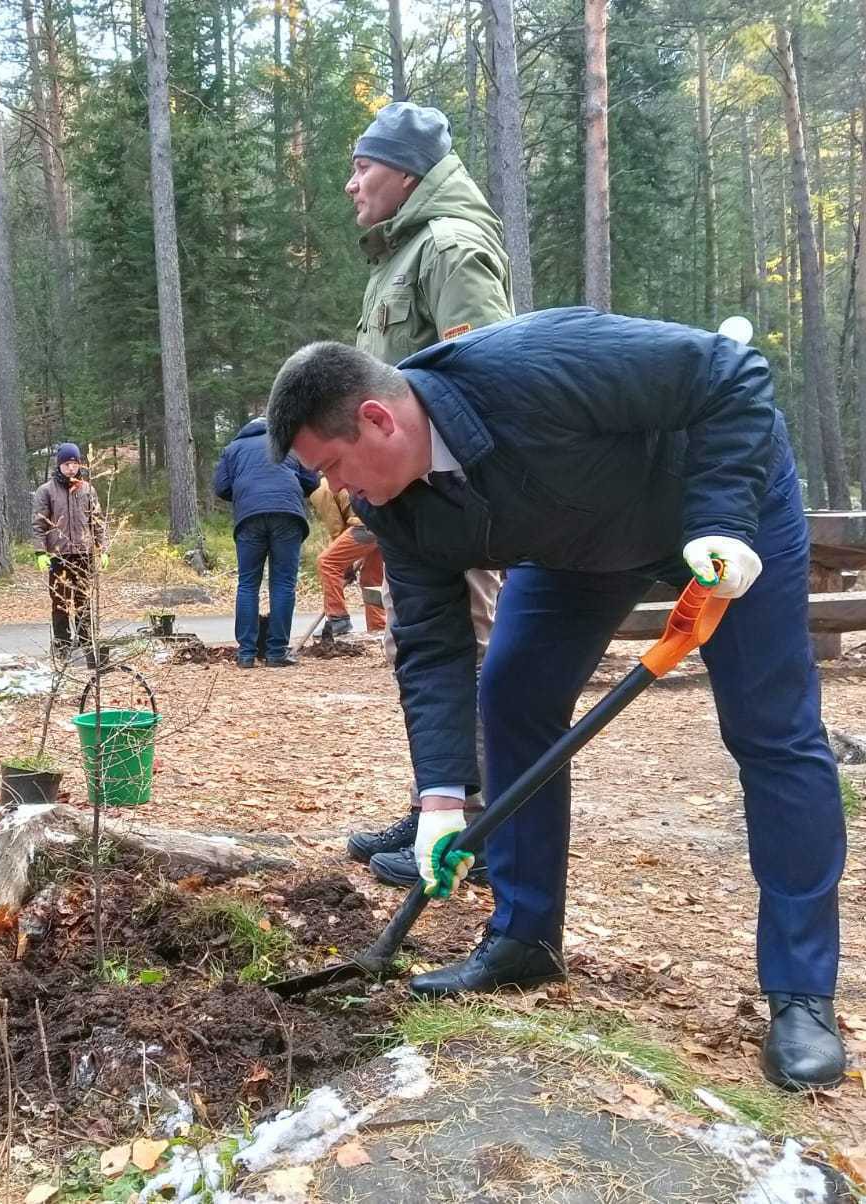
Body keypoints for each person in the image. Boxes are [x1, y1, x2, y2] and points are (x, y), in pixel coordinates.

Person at [266, 309, 848, 1091]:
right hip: (577, 546)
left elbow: (729, 374)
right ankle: (524, 937)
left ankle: (802, 992)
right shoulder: (393, 509)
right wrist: (441, 798)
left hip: (720, 510)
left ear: (377, 419)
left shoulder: (531, 364)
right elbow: (433, 649)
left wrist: (722, 520)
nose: (336, 491)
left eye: (334, 466)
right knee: (514, 693)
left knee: (770, 730)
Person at [342, 100, 512, 880]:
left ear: (406, 173)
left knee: (463, 650)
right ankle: (434, 805)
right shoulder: (401, 254)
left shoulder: (448, 247)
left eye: (363, 167)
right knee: (418, 649)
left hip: (455, 502)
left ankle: (473, 829)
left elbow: (486, 379)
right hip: (412, 505)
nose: (352, 185)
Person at [213, 418, 317, 668]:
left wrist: (245, 494)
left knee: (248, 583)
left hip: (249, 517)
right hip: (287, 515)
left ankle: (246, 654)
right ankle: (276, 652)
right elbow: (313, 481)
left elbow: (221, 487)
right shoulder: (289, 444)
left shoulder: (233, 448)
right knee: (283, 583)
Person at [32, 443, 104, 654]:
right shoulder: (46, 491)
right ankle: (62, 643)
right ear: (59, 465)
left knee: (84, 599)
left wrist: (102, 549)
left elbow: (97, 522)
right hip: (59, 556)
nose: (71, 468)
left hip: (84, 554)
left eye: (74, 463)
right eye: (66, 464)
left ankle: (86, 641)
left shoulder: (88, 490)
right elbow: (39, 524)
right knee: (60, 601)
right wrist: (40, 552)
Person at [308, 477, 385, 637]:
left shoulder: (319, 489)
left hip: (363, 525)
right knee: (372, 580)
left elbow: (336, 527)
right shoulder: (337, 478)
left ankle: (338, 619)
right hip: (381, 523)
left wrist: (346, 565)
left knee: (327, 562)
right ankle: (378, 627)